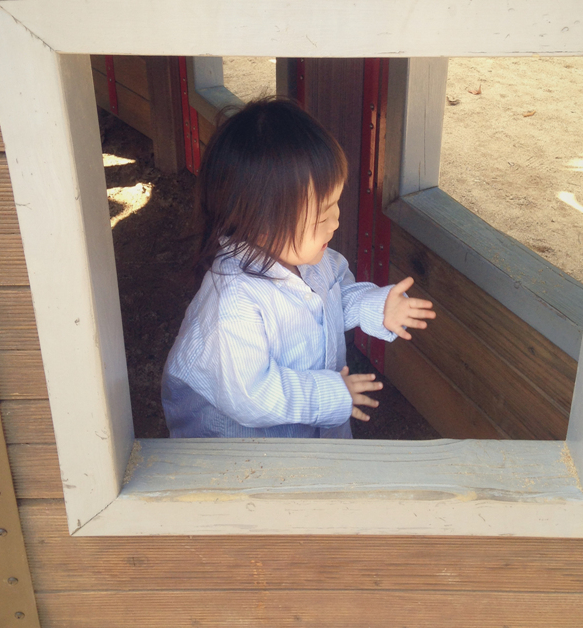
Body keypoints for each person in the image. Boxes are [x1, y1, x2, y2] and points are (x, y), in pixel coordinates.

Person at [161, 97, 435, 439]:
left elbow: (335, 301)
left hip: (307, 428)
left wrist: (376, 306)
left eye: (335, 204)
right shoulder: (233, 303)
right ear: (260, 222)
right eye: (321, 215)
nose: (335, 221)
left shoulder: (316, 260)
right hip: (244, 450)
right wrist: (332, 394)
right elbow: (252, 396)